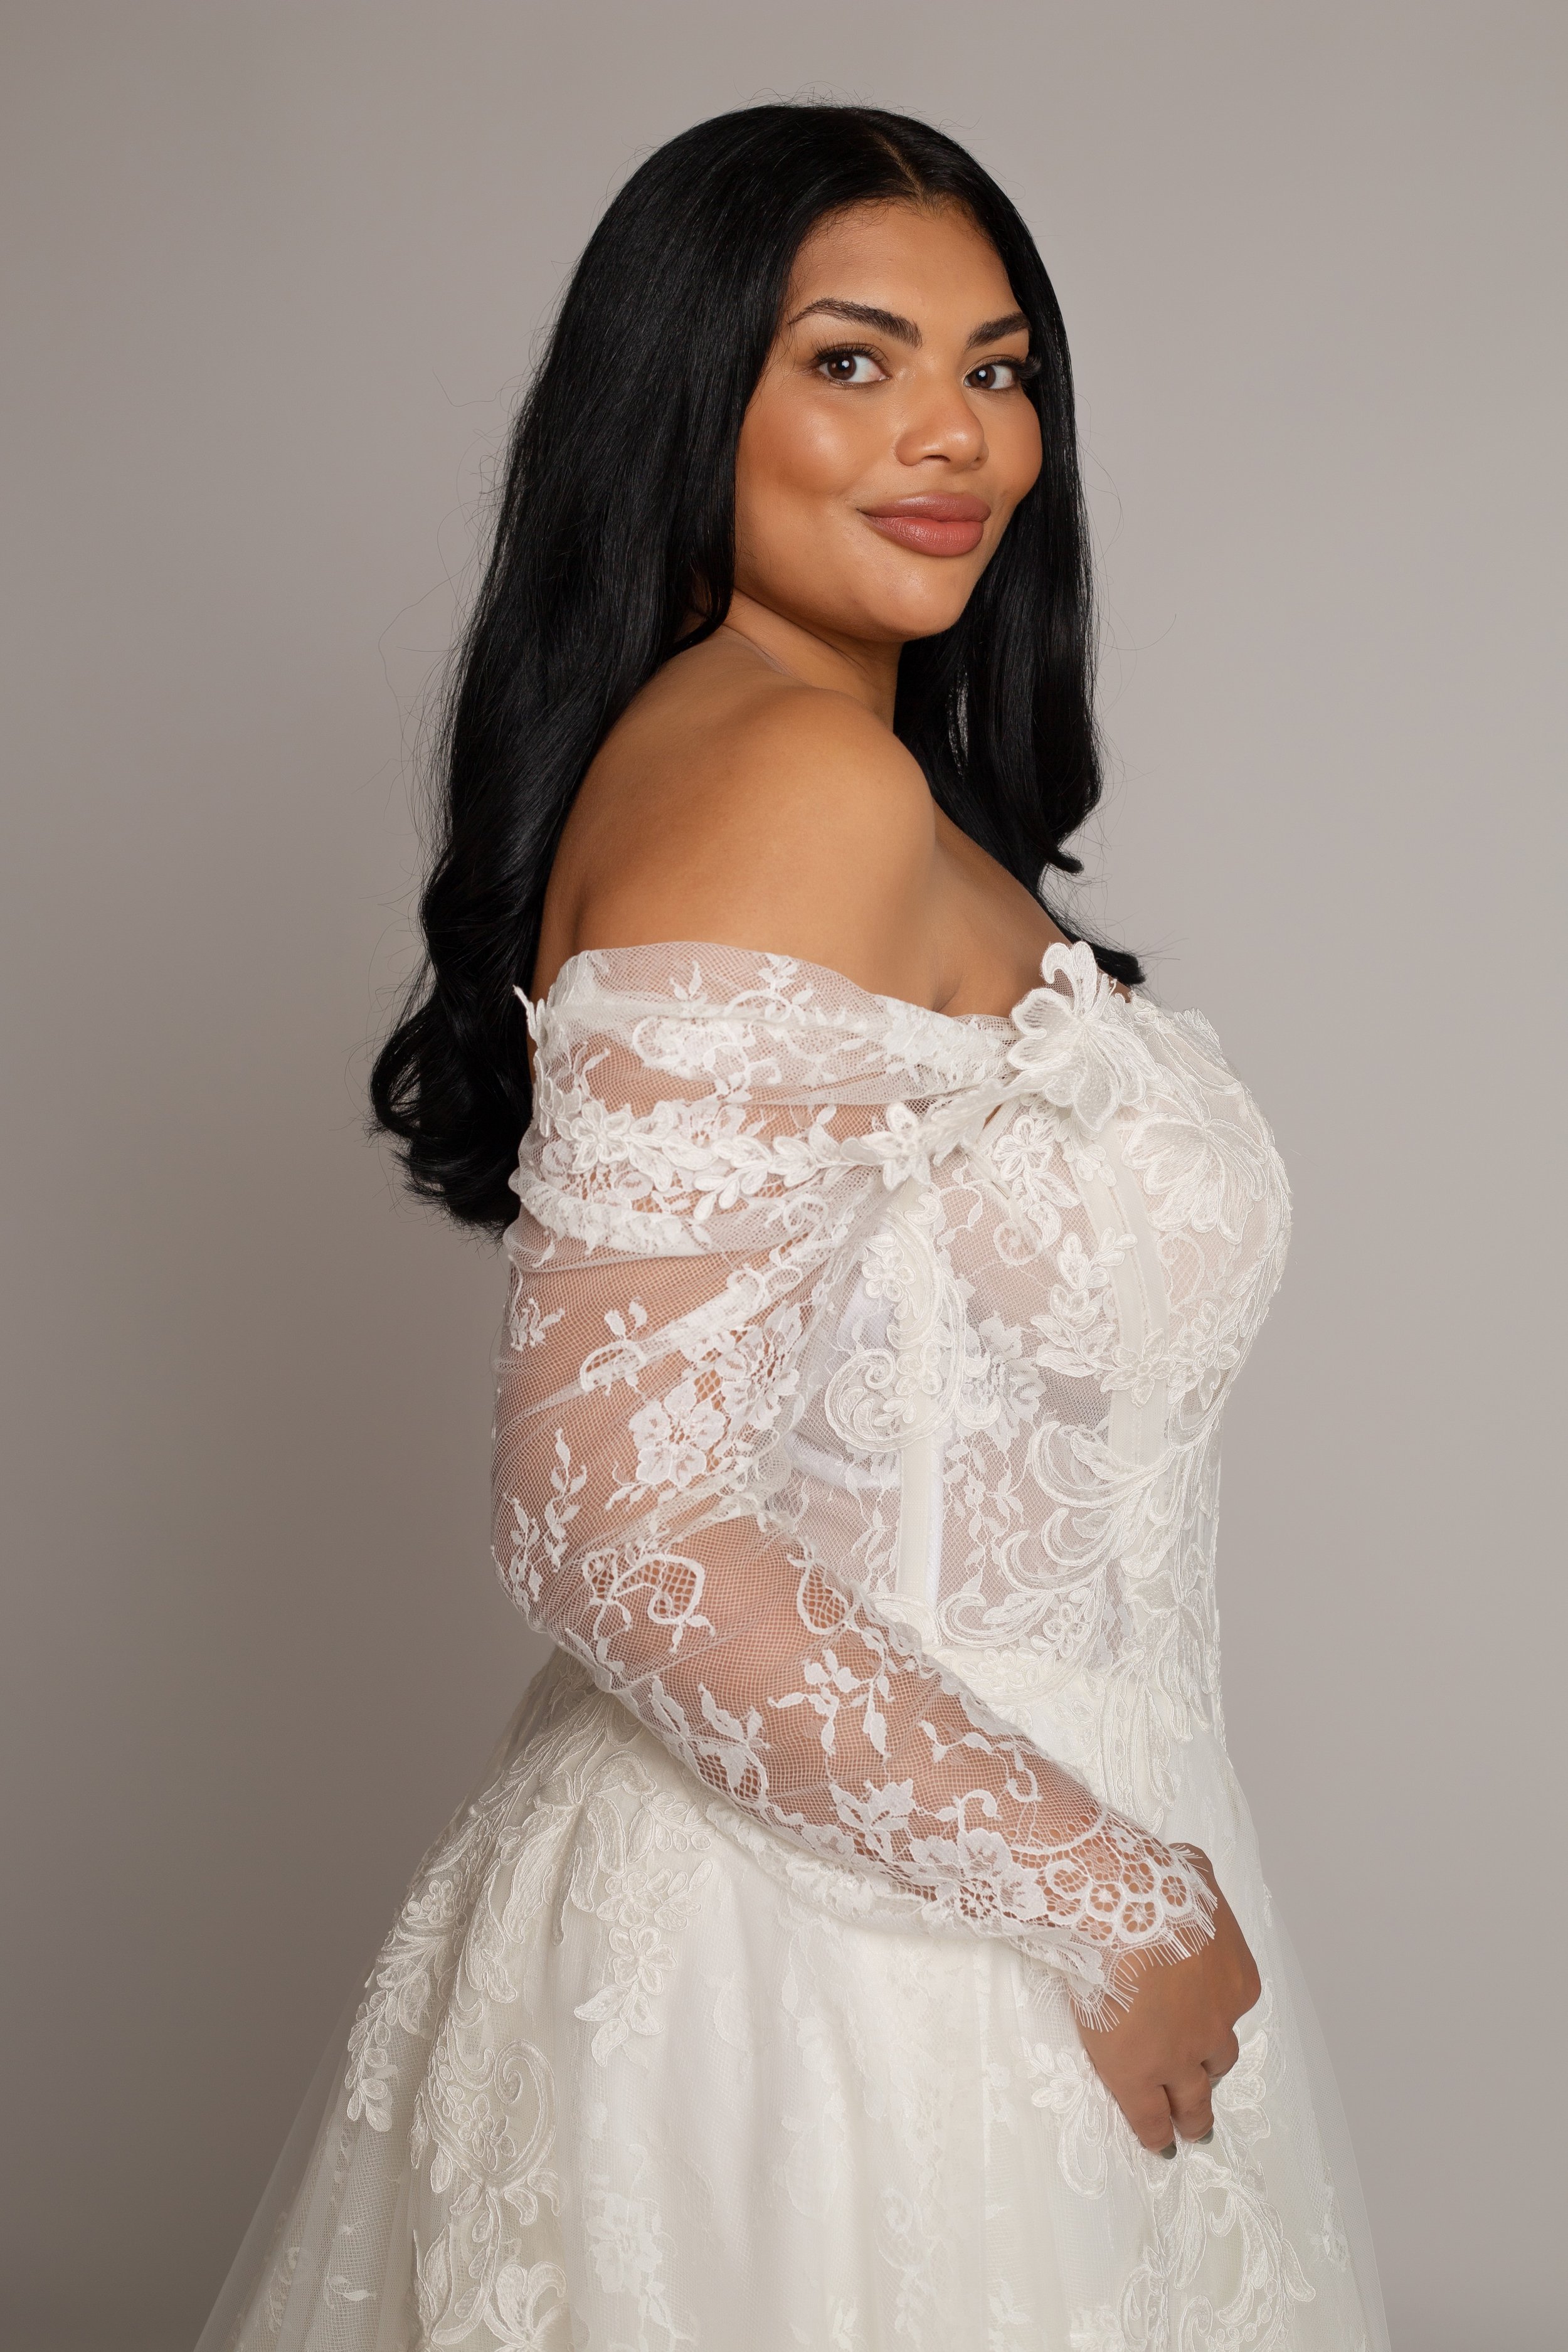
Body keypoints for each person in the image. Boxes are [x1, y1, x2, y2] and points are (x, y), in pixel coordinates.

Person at [199, 102, 1387, 2352]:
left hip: (927, 1879)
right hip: (864, 1960)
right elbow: (605, 1514)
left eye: (1001, 365)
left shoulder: (826, 770)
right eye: (850, 360)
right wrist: (1106, 1893)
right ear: (685, 401)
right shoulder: (786, 779)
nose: (953, 433)